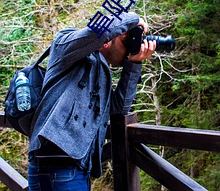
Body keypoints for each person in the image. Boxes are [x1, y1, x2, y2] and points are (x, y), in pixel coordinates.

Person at [28, 12, 156, 191]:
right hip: (58, 165)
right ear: (109, 37)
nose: (128, 48)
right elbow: (98, 32)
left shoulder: (101, 71)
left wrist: (134, 64)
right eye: (125, 40)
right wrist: (134, 20)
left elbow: (118, 108)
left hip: (74, 168)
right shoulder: (65, 42)